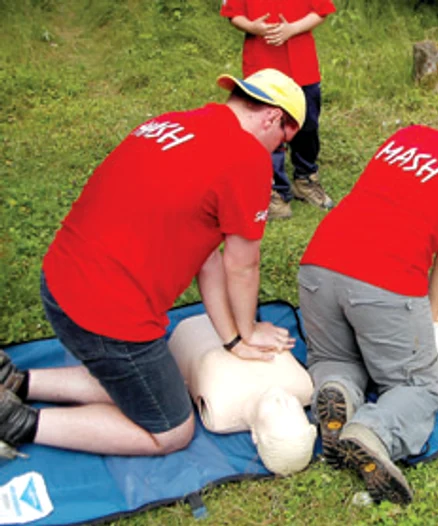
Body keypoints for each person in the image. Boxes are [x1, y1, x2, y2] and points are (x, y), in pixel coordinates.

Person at [0, 68, 305, 459]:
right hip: (108, 318)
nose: (277, 153)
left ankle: (16, 381)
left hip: (61, 280)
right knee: (172, 429)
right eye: (282, 142)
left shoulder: (172, 123)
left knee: (162, 383)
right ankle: (17, 421)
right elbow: (243, 266)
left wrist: (232, 339)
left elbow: (207, 256)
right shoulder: (246, 157)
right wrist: (250, 331)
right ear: (272, 118)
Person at [297, 104, 438, 504]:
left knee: (336, 357)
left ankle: (336, 393)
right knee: (420, 386)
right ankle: (372, 432)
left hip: (318, 266)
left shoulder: (408, 136)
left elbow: (390, 212)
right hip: (382, 284)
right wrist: (431, 310)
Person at [221, 0, 336, 219]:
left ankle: (305, 179)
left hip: (302, 64)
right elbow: (233, 14)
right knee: (265, 127)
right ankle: (274, 190)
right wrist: (252, 27)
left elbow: (321, 11)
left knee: (307, 124)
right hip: (261, 63)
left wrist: (293, 28)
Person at [168, 314, 317, 476]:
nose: (281, 400)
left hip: (189, 329)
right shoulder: (303, 386)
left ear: (256, 436)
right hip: (235, 315)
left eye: (277, 413)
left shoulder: (221, 410)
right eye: (293, 408)